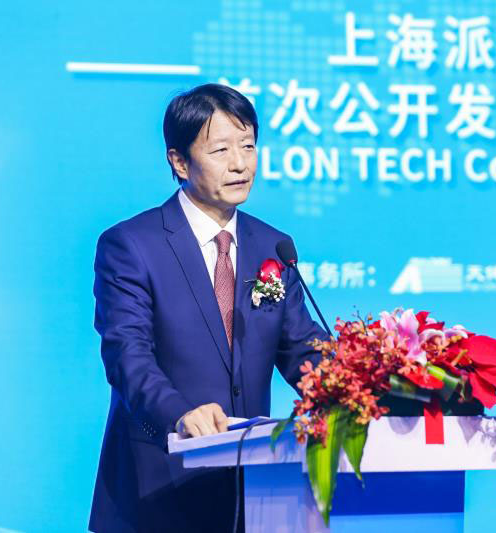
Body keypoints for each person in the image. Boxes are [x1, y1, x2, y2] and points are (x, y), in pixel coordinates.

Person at [87, 83, 328, 533]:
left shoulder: (271, 246)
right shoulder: (132, 245)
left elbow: (301, 349)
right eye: (220, 150)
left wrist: (368, 386)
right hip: (157, 490)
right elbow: (127, 357)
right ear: (179, 161)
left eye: (248, 146)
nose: (240, 163)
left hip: (252, 496)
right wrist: (180, 414)